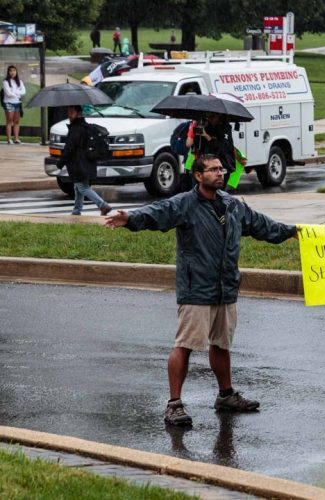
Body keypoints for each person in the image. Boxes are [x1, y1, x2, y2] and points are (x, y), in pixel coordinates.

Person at [104, 154, 298, 427]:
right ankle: (174, 404)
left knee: (221, 344)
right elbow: (156, 213)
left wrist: (292, 231)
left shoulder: (232, 206)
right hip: (197, 289)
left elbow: (262, 226)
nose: (220, 173)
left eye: (221, 169)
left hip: (225, 289)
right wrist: (129, 218)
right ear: (198, 176)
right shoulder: (185, 204)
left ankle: (226, 395)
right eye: (213, 170)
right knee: (185, 345)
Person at [56, 106, 112, 216]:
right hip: (86, 162)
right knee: (78, 187)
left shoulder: (76, 129)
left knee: (83, 187)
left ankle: (103, 205)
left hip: (78, 164)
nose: (69, 115)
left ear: (79, 114)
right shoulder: (85, 127)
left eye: (72, 112)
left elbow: (69, 148)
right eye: (68, 112)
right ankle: (77, 210)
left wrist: (60, 162)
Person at [183, 112, 236, 192]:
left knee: (217, 194)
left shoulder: (225, 128)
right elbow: (190, 144)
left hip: (221, 165)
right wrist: (194, 131)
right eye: (207, 117)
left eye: (212, 116)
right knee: (198, 192)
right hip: (204, 166)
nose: (209, 119)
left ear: (219, 116)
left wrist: (207, 136)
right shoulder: (206, 126)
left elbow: (222, 148)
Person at [3, 65, 25, 144]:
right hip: (9, 103)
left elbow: (23, 92)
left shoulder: (20, 81)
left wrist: (15, 93)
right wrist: (18, 93)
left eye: (14, 71)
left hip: (17, 103)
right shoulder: (6, 82)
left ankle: (16, 138)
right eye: (11, 71)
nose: (12, 72)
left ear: (16, 72)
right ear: (8, 72)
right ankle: (9, 139)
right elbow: (9, 94)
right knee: (9, 121)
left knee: (17, 121)